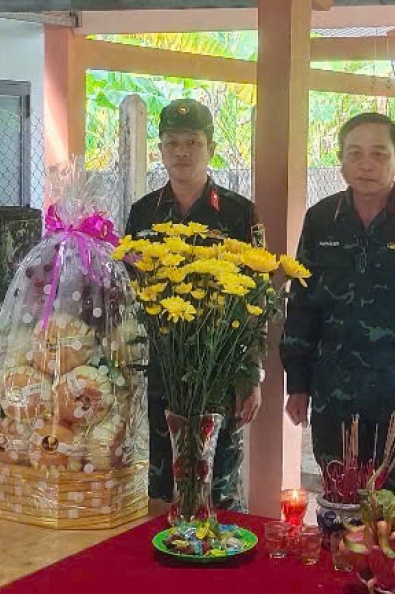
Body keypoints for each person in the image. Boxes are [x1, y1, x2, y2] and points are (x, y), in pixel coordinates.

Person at [281, 113, 395, 500]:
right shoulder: (321, 219)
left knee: (394, 507)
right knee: (338, 499)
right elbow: (302, 306)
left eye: (378, 154)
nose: (366, 164)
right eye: (355, 153)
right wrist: (297, 383)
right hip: (334, 393)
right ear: (341, 161)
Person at [125, 98, 262, 512]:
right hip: (161, 370)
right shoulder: (143, 213)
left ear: (211, 148)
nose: (181, 152)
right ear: (160, 149)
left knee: (219, 488)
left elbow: (256, 298)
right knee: (160, 485)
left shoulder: (239, 213)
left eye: (192, 142)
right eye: (172, 143)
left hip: (218, 370)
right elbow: (128, 290)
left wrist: (250, 375)